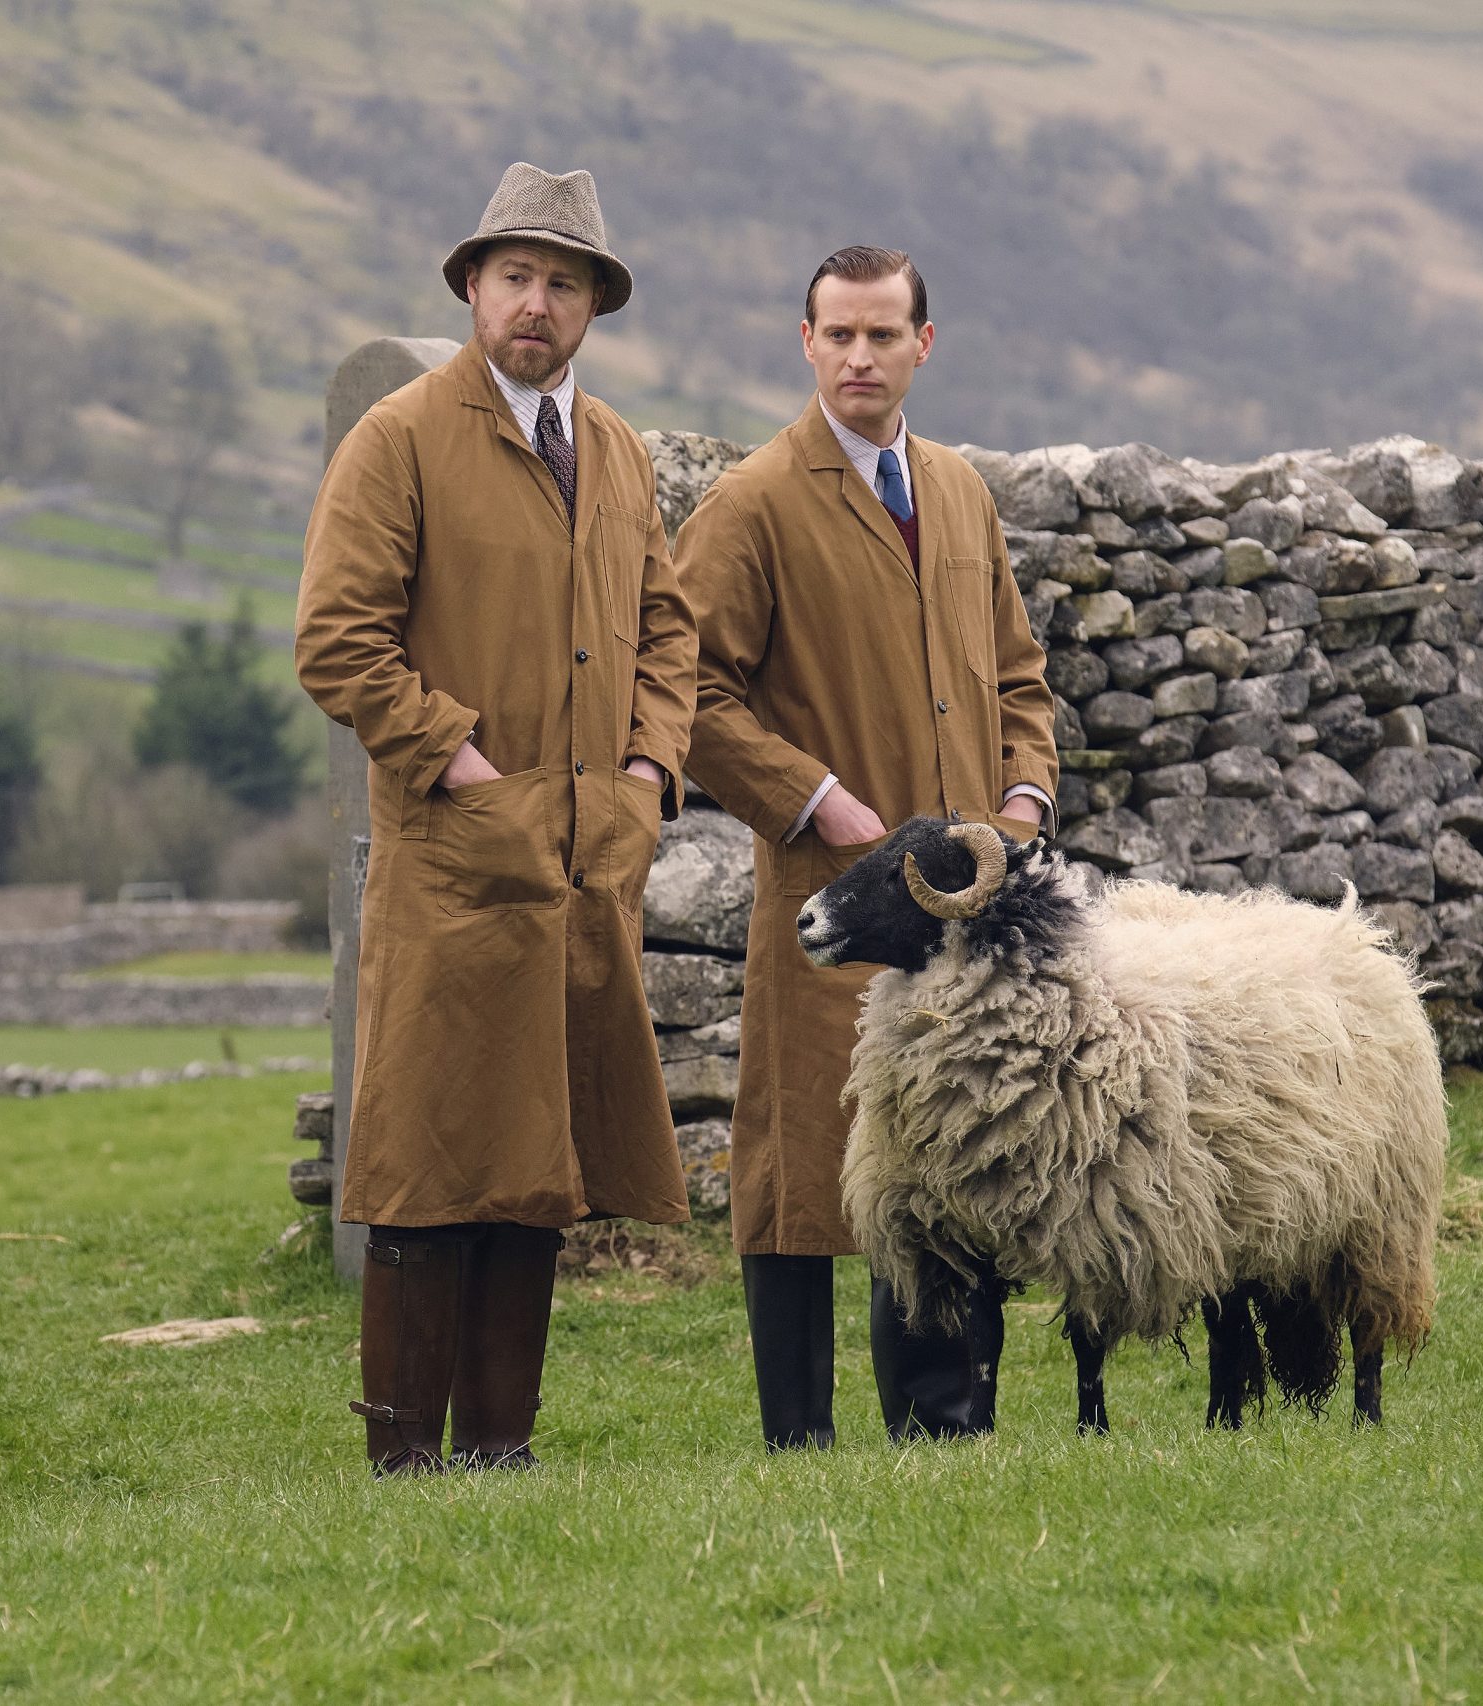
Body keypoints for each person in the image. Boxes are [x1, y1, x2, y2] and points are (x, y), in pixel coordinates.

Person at [294, 163, 697, 1475]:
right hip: (453, 865)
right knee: (425, 1165)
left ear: (593, 307)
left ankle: (500, 1450)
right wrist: (460, 761)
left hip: (583, 865)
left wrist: (649, 774)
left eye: (563, 283)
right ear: (473, 286)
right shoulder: (402, 438)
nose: (537, 303)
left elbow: (666, 630)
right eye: (515, 276)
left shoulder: (619, 451)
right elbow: (336, 642)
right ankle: (405, 1457)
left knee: (539, 1163)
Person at [675, 245, 1058, 1449]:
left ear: (921, 345)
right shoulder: (752, 502)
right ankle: (798, 1434)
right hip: (827, 901)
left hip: (957, 920)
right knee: (799, 1165)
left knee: (947, 1156)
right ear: (805, 342)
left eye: (881, 334)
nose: (858, 356)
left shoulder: (957, 492)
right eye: (836, 334)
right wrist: (818, 798)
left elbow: (1017, 674)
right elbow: (685, 690)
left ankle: (943, 1424)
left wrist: (1023, 802)